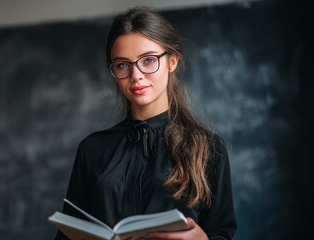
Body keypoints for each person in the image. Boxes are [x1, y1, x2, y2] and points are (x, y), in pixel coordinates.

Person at [55, 6, 237, 240]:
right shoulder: (92, 150)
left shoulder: (209, 148)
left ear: (172, 61)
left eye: (148, 61)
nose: (136, 75)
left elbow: (221, 232)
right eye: (122, 65)